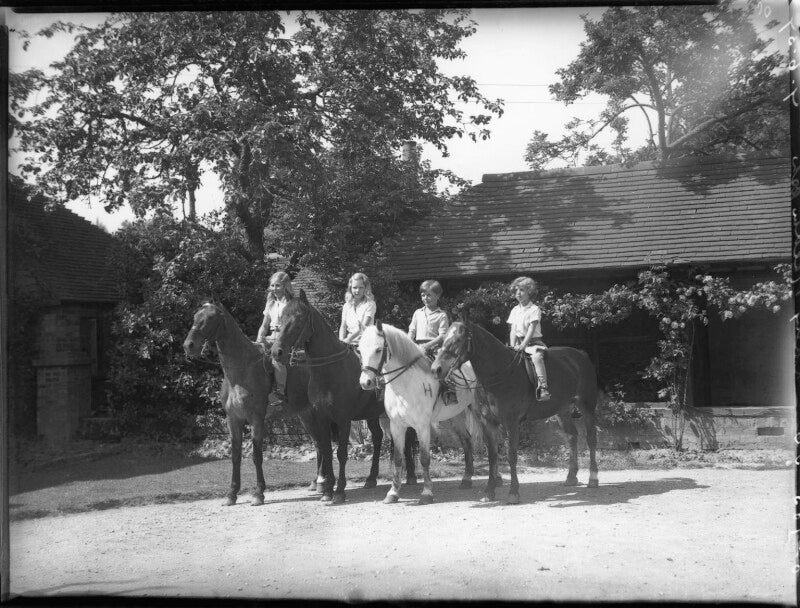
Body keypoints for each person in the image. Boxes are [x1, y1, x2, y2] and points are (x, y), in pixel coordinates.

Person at [408, 279, 457, 405]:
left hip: (434, 347)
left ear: (438, 296)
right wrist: (408, 343)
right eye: (423, 295)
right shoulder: (417, 313)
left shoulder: (441, 315)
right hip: (417, 346)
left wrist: (427, 345)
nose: (426, 298)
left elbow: (442, 336)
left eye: (429, 295)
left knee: (444, 368)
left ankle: (449, 392)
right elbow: (412, 331)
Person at [507, 276, 550, 401]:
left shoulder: (534, 309)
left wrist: (523, 345)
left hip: (533, 343)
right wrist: (512, 346)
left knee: (537, 358)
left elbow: (531, 330)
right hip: (518, 344)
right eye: (516, 291)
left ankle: (543, 387)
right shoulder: (515, 310)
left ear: (529, 292)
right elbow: (513, 330)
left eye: (521, 290)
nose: (518, 293)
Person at [256, 271, 293, 406]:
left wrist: (275, 338)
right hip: (271, 337)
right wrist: (259, 339)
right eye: (273, 285)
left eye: (278, 285)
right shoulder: (270, 303)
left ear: (285, 286)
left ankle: (280, 392)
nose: (274, 289)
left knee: (276, 359)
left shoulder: (291, 303)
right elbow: (264, 325)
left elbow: (290, 327)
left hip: (285, 339)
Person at [339, 272, 377, 346]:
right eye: (355, 287)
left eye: (361, 287)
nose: (357, 291)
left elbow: (363, 327)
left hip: (366, 344)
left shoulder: (370, 304)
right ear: (350, 288)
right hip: (349, 344)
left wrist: (347, 340)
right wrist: (341, 341)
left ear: (365, 288)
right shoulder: (346, 306)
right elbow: (343, 326)